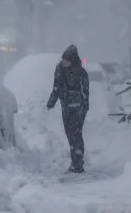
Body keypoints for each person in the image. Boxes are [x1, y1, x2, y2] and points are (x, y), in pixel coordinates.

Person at [46, 44, 90, 173]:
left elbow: (85, 91)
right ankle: (75, 161)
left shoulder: (81, 72)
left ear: (71, 61)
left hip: (78, 107)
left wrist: (85, 106)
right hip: (67, 107)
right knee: (70, 134)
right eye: (62, 59)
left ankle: (78, 163)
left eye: (66, 60)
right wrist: (51, 103)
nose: (63, 62)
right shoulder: (59, 69)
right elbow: (56, 87)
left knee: (76, 133)